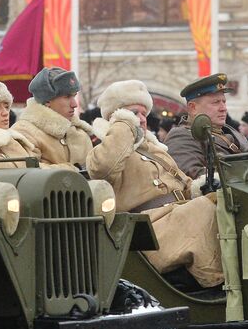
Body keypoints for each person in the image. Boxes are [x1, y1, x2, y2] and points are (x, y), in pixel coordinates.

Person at [87, 80, 223, 289]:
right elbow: (103, 168)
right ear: (117, 116)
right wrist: (123, 126)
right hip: (146, 229)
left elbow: (182, 182)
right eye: (133, 113)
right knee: (203, 208)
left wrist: (202, 186)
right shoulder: (107, 147)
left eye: (143, 113)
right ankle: (215, 282)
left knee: (220, 202)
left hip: (175, 218)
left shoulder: (154, 149)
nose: (141, 119)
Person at [165, 73, 248, 181]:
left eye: (224, 102)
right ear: (193, 108)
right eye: (216, 102)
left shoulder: (228, 131)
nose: (223, 108)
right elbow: (195, 177)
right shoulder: (181, 136)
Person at [11, 67, 95, 169]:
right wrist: (70, 171)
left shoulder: (80, 133)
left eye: (74, 96)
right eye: (67, 97)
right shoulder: (24, 133)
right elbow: (26, 172)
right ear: (47, 100)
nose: (74, 104)